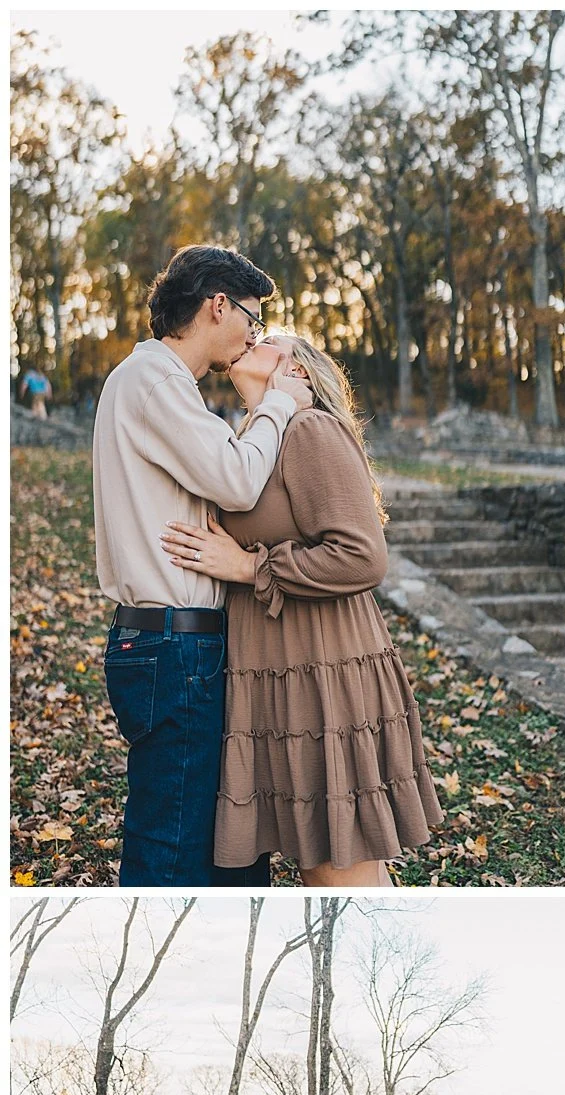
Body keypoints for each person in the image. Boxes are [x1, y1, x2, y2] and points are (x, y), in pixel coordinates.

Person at [160, 333, 442, 887]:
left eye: (269, 341)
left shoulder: (308, 429)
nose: (250, 339)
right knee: (320, 860)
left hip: (323, 670)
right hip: (279, 671)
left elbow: (362, 556)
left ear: (300, 374)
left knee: (336, 867)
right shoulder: (258, 437)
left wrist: (248, 568)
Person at [93, 245, 313, 886]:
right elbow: (238, 482)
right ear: (218, 305)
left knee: (207, 841)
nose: (254, 333)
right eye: (251, 316)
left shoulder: (157, 385)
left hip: (168, 640)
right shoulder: (155, 382)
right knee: (173, 852)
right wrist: (278, 403)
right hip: (174, 646)